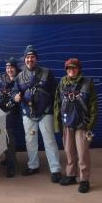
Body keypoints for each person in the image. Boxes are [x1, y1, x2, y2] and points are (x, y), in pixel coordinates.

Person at [13, 45, 62, 183]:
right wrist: (15, 96)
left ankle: (55, 169)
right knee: (30, 142)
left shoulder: (47, 72)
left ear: (36, 59)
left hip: (46, 112)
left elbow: (55, 92)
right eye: (27, 57)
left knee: (49, 141)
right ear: (24, 59)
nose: (30, 59)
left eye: (32, 57)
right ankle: (33, 166)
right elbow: (15, 91)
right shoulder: (19, 76)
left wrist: (53, 109)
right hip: (27, 113)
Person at [54, 58, 98, 193]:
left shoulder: (87, 83)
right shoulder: (62, 82)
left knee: (83, 153)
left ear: (79, 69)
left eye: (74, 68)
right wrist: (57, 125)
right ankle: (71, 175)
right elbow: (57, 104)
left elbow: (93, 104)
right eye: (68, 68)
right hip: (68, 124)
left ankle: (84, 180)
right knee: (69, 151)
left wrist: (90, 124)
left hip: (82, 125)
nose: (71, 70)